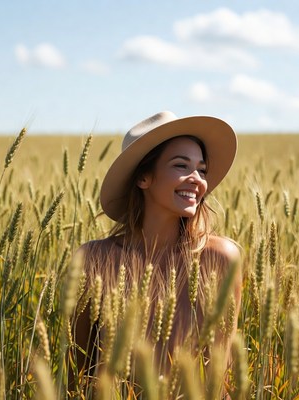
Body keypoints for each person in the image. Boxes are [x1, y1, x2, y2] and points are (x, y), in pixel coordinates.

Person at [69, 111, 242, 395]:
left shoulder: (220, 259)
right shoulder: (94, 260)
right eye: (181, 165)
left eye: (202, 169)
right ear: (144, 178)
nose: (197, 179)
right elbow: (79, 368)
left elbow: (220, 377)